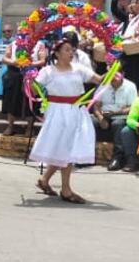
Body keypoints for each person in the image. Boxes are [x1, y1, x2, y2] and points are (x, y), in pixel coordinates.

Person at [30, 37, 102, 203]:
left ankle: (46, 180)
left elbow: (98, 79)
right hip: (57, 112)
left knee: (66, 147)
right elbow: (35, 89)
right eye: (67, 50)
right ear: (57, 53)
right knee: (65, 147)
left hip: (76, 111)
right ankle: (66, 190)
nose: (71, 53)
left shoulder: (78, 69)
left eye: (72, 50)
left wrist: (113, 72)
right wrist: (29, 79)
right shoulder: (48, 71)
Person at [0, 40, 46, 136]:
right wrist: (14, 62)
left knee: (31, 103)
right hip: (14, 73)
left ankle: (29, 128)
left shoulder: (39, 44)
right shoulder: (14, 43)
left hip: (31, 74)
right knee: (11, 101)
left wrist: (30, 64)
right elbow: (4, 58)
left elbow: (42, 61)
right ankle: (10, 126)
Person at [93, 72, 138, 171]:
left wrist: (116, 113)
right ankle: (87, 155)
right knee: (90, 121)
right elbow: (96, 105)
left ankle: (117, 158)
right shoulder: (103, 85)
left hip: (121, 115)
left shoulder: (130, 86)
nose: (112, 79)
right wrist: (100, 118)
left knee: (118, 124)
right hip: (104, 114)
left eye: (115, 77)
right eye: (111, 77)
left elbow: (133, 107)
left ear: (122, 74)